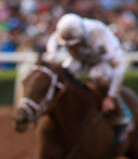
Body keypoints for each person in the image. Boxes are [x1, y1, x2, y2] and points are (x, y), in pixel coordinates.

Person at [45, 13, 133, 142]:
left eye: (75, 44)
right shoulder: (66, 31)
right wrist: (51, 56)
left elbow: (119, 66)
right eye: (69, 46)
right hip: (82, 61)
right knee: (63, 72)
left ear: (82, 36)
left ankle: (120, 114)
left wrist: (110, 97)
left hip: (102, 62)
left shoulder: (98, 32)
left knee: (96, 75)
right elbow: (53, 40)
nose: (73, 49)